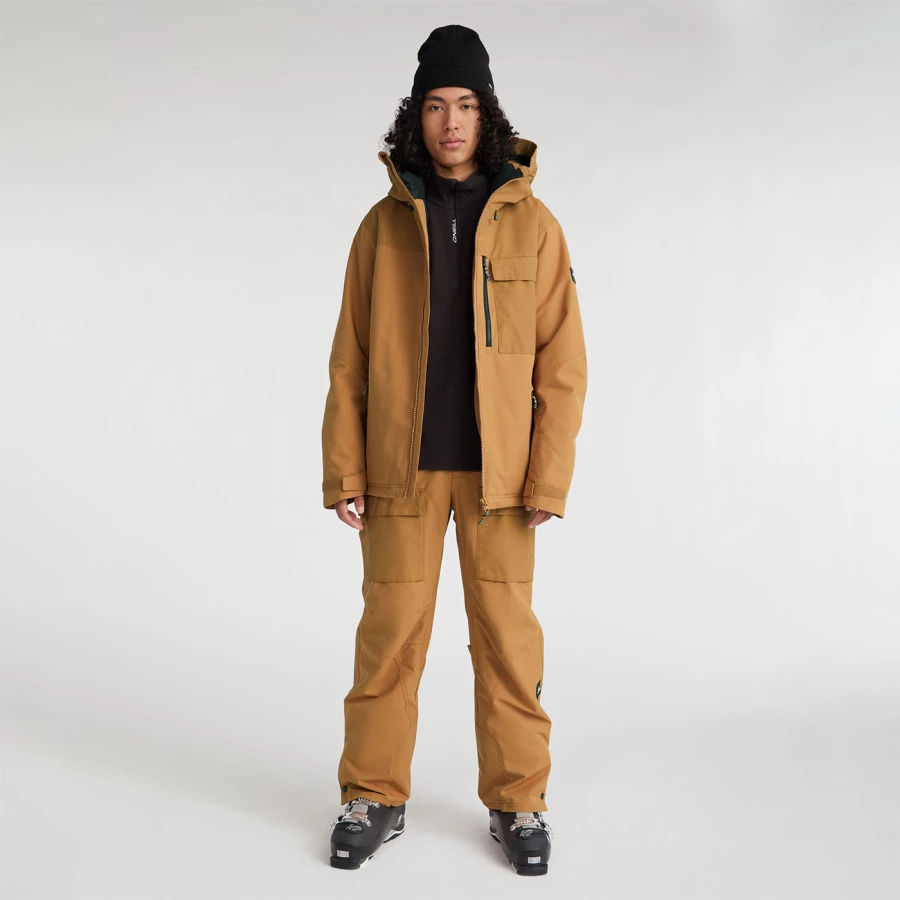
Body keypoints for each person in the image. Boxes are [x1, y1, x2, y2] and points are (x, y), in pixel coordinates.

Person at [322, 24, 588, 875]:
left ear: (487, 114)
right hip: (399, 473)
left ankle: (519, 801)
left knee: (508, 643)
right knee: (389, 640)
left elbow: (564, 366)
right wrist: (346, 469)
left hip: (500, 481)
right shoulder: (381, 228)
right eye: (436, 105)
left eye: (465, 104)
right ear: (417, 115)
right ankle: (374, 794)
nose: (450, 122)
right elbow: (349, 359)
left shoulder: (533, 226)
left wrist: (547, 477)